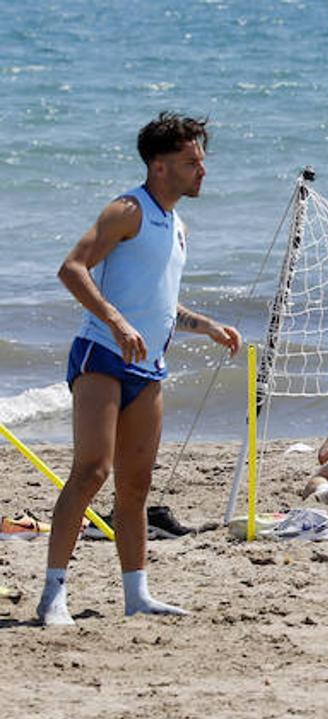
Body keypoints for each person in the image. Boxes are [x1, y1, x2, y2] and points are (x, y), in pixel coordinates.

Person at [36, 112, 240, 627]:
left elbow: (160, 304)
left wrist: (205, 324)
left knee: (136, 485)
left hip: (148, 367)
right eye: (191, 162)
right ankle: (53, 595)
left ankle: (137, 594)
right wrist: (117, 322)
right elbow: (72, 269)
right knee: (91, 471)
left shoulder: (177, 225)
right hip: (101, 354)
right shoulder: (127, 210)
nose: (202, 171)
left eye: (202, 161)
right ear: (159, 166)